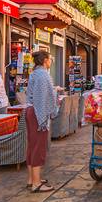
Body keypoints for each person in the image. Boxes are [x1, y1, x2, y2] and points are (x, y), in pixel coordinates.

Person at [26, 50, 58, 192]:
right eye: (50, 59)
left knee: (32, 145)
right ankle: (36, 183)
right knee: (38, 146)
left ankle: (31, 178)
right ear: (45, 60)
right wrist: (43, 119)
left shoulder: (35, 73)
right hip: (37, 113)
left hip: (30, 110)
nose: (51, 61)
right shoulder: (43, 75)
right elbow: (41, 99)